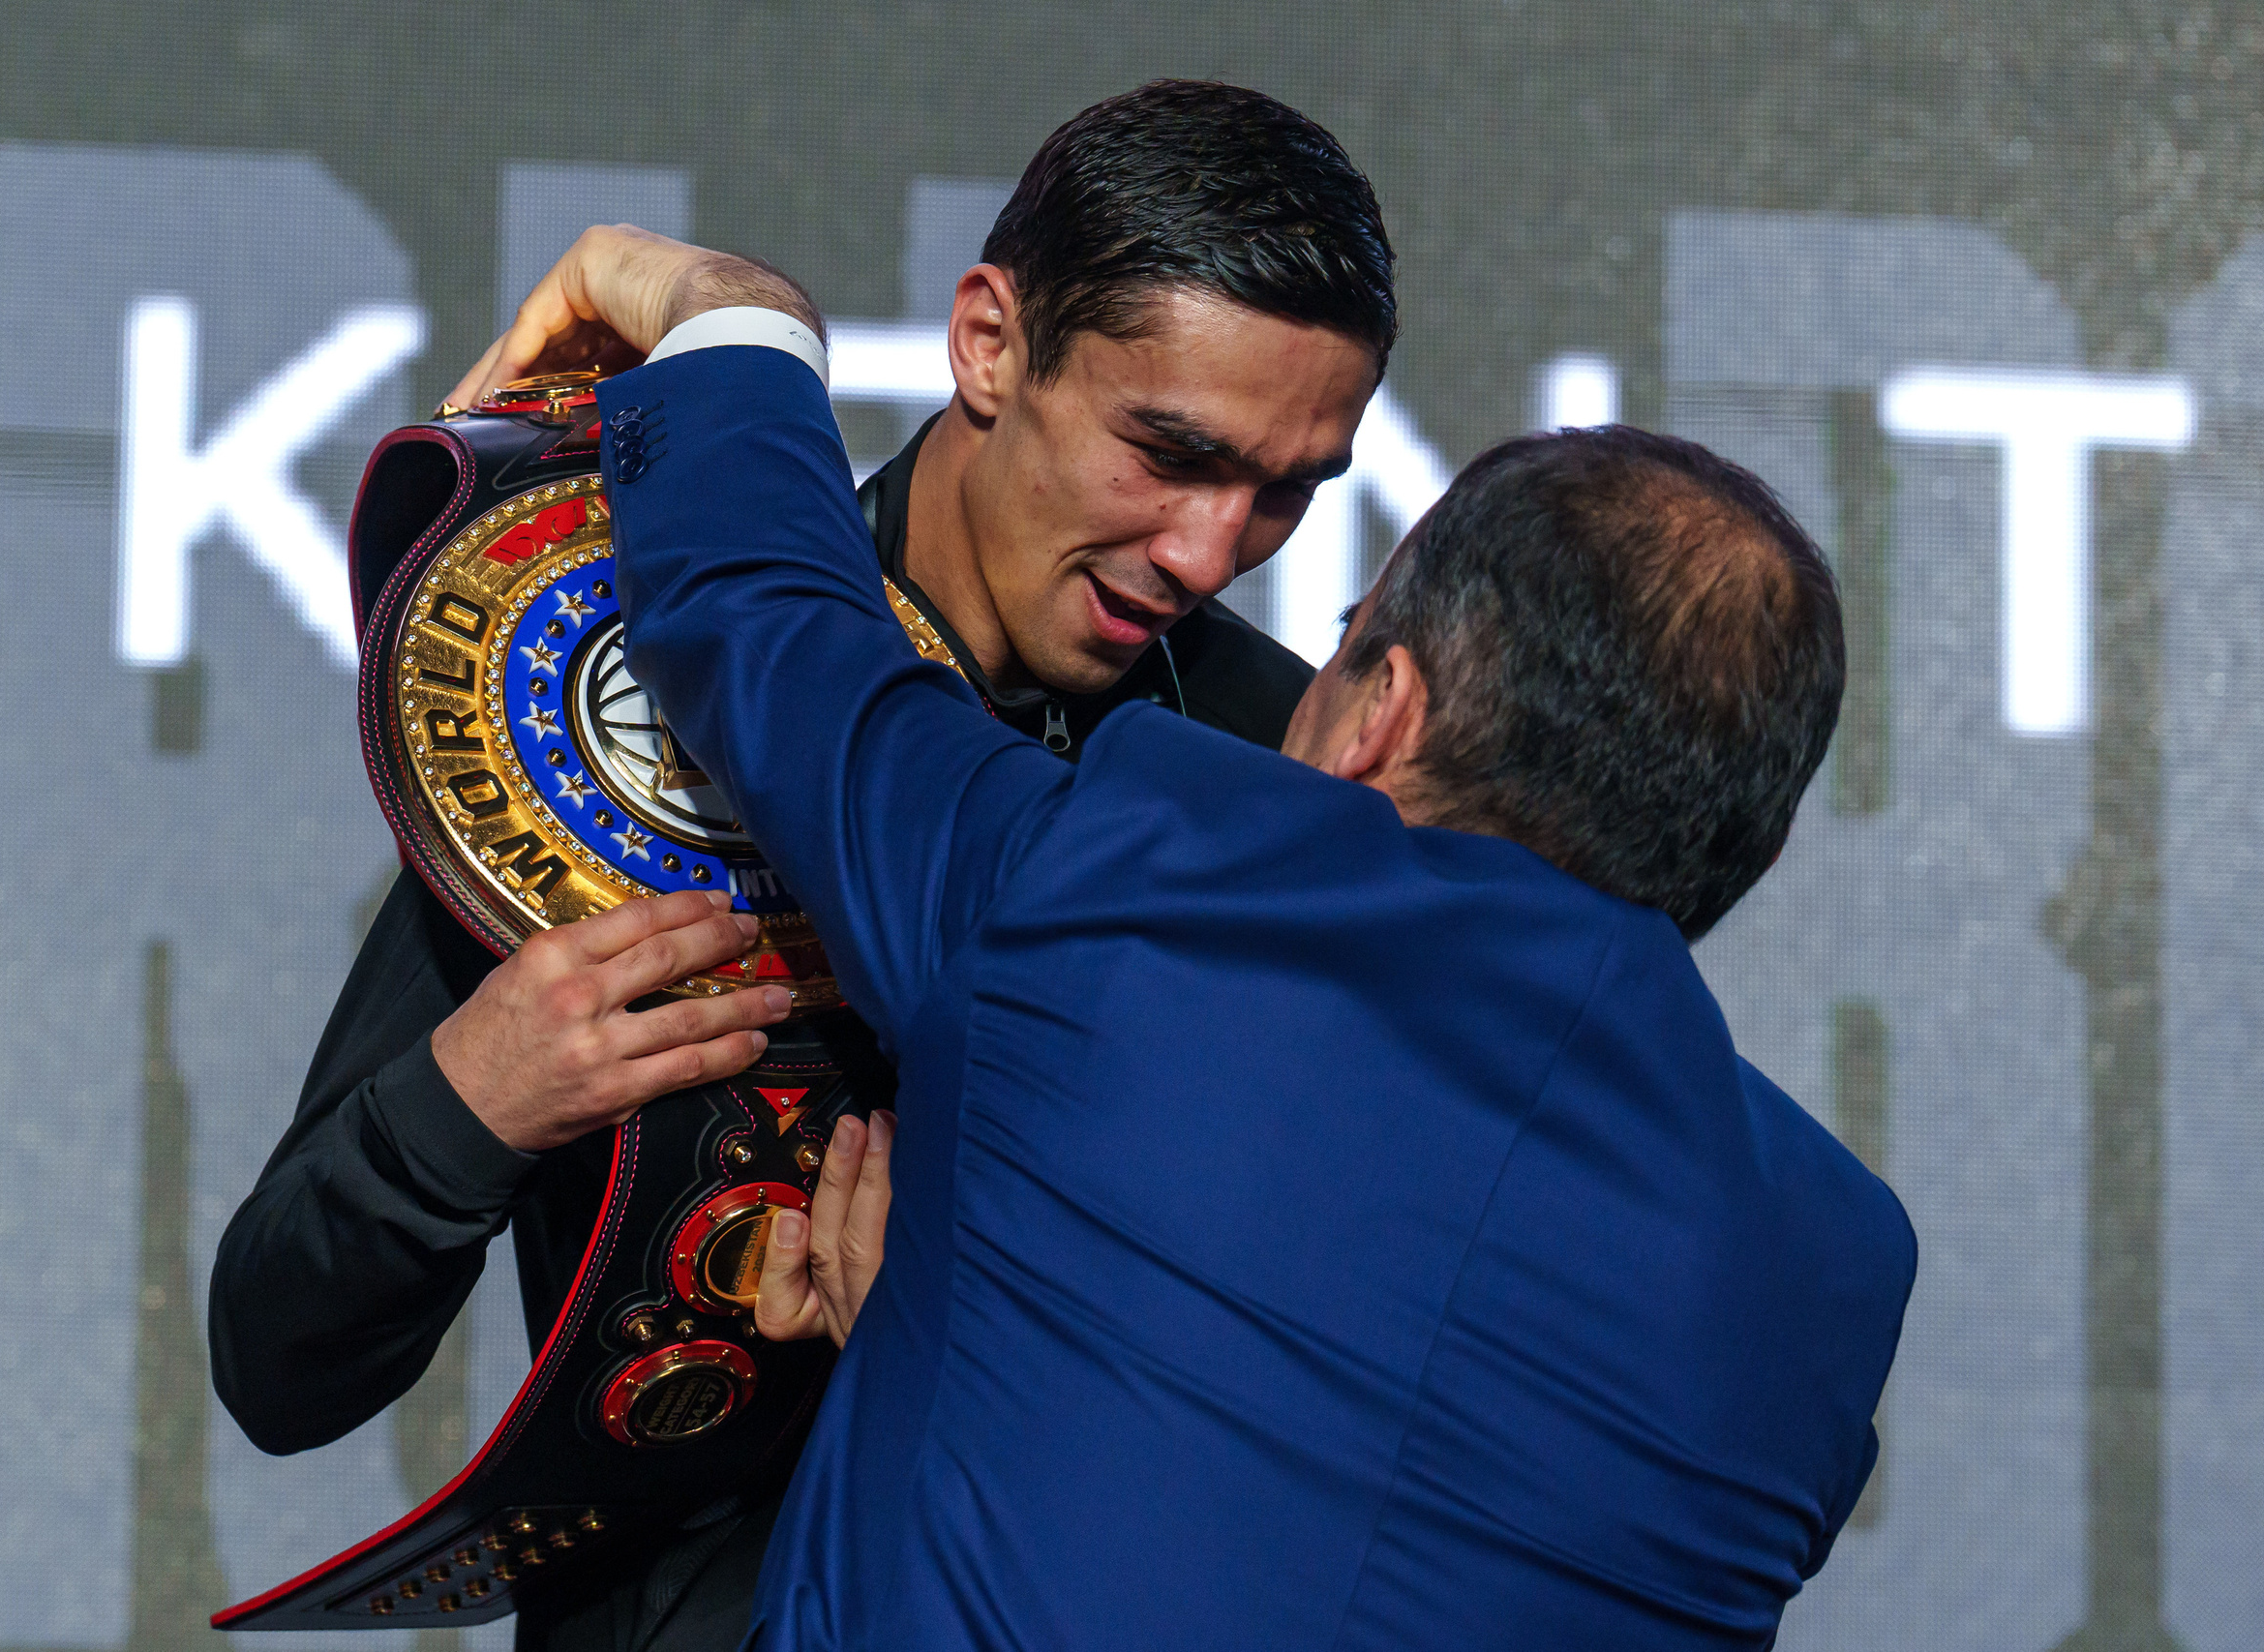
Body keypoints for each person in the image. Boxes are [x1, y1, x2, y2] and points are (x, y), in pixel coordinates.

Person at [207, 80, 1398, 1651]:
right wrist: (468, 1104)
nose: (1209, 548)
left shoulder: (1278, 780)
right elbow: (279, 1366)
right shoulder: (584, 701)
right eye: (1165, 452)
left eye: (1286, 491)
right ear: (990, 344)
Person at [601, 281, 1917, 1647]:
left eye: (1343, 638)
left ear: (1380, 715)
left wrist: (727, 318)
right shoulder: (1829, 1274)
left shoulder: (1139, 886)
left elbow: (767, 629)